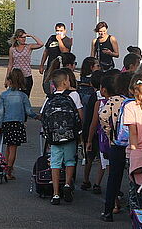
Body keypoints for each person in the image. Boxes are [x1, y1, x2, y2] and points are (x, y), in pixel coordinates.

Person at [42, 68, 85, 206]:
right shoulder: (74, 95)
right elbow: (80, 115)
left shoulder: (50, 97)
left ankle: (55, 193)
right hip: (70, 135)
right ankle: (67, 184)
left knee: (55, 163)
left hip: (54, 137)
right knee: (70, 161)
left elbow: (43, 115)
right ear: (66, 82)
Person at [100, 72, 133, 221]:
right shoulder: (135, 101)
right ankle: (136, 209)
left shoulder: (114, 100)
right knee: (135, 178)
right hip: (134, 145)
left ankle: (108, 211)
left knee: (114, 178)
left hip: (117, 144)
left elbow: (103, 116)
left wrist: (109, 133)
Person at [0, 68, 37, 180]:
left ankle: (5, 168)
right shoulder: (23, 96)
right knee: (13, 148)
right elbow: (28, 111)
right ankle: (9, 170)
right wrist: (36, 116)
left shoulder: (3, 95)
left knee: (8, 147)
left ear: (9, 81)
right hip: (17, 124)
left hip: (6, 123)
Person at [80, 69, 105, 193]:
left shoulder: (92, 97)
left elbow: (89, 117)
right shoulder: (106, 97)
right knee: (102, 159)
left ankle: (85, 180)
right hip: (103, 131)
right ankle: (97, 183)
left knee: (89, 156)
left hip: (90, 129)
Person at [7, 29, 43, 98]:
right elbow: (10, 64)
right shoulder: (12, 49)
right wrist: (7, 78)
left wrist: (31, 36)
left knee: (25, 97)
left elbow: (41, 44)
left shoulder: (28, 47)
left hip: (27, 76)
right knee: (15, 97)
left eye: (24, 37)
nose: (23, 39)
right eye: (21, 37)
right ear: (17, 38)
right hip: (16, 76)